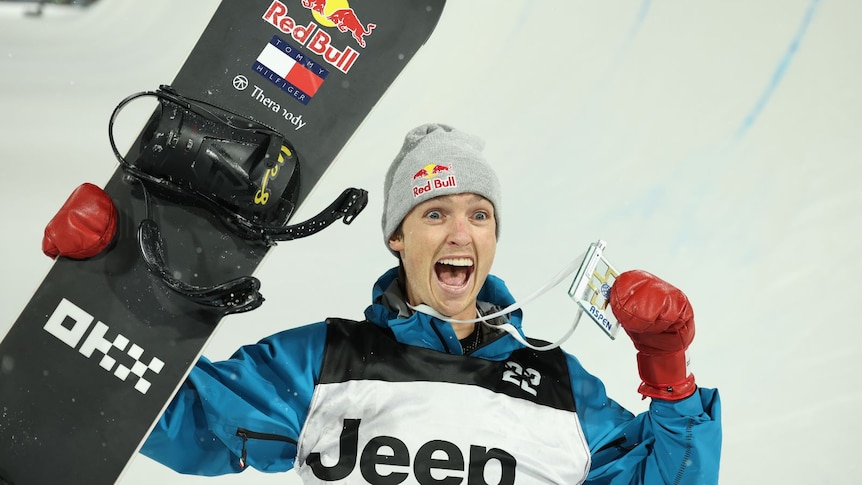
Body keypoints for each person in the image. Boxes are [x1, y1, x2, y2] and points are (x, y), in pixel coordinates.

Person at [141, 123, 722, 484]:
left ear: (494, 238)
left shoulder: (559, 386)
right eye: (435, 213)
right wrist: (114, 277)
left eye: (479, 215)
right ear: (398, 236)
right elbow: (164, 415)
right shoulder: (324, 362)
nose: (460, 233)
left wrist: (668, 370)